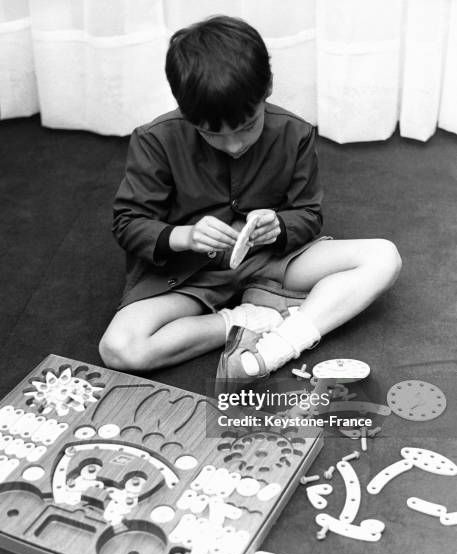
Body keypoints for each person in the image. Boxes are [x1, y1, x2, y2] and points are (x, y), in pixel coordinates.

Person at [99, 15, 401, 392]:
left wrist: (280, 226)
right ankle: (249, 317)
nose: (234, 145)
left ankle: (280, 345)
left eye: (247, 126)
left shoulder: (295, 133)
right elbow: (128, 222)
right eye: (211, 133)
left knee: (384, 256)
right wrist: (185, 236)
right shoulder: (156, 139)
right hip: (192, 274)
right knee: (120, 348)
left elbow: (308, 214)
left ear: (268, 88)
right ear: (186, 111)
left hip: (270, 260)